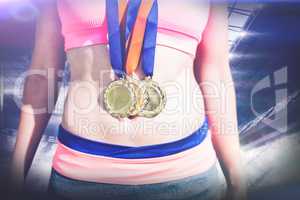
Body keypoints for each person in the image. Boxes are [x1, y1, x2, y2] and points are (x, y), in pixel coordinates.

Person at [10, 0, 247, 199]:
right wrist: (14, 176)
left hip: (189, 176)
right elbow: (42, 75)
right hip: (81, 176)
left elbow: (216, 75)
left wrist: (237, 178)